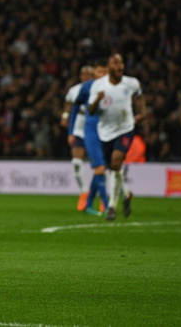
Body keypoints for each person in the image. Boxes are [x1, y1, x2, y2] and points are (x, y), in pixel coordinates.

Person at [88, 53, 146, 221]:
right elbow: (91, 111)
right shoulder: (99, 85)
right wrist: (97, 100)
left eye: (121, 62)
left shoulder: (132, 83)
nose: (119, 65)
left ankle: (112, 206)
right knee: (113, 167)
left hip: (125, 128)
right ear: (109, 68)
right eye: (115, 62)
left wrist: (142, 113)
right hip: (105, 132)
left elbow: (140, 96)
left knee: (116, 161)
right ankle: (126, 194)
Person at [73, 58, 109, 216]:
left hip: (107, 131)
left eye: (105, 72)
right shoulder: (86, 87)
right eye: (100, 71)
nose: (103, 74)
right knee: (100, 168)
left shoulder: (112, 87)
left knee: (101, 169)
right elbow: (75, 106)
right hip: (91, 131)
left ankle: (89, 204)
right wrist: (71, 131)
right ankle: (107, 206)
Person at [61, 65, 94, 211]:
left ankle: (103, 197)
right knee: (76, 162)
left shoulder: (98, 89)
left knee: (100, 165)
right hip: (78, 129)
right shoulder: (74, 90)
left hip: (95, 129)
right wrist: (65, 117)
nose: (85, 77)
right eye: (83, 74)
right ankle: (84, 193)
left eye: (89, 74)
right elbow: (68, 105)